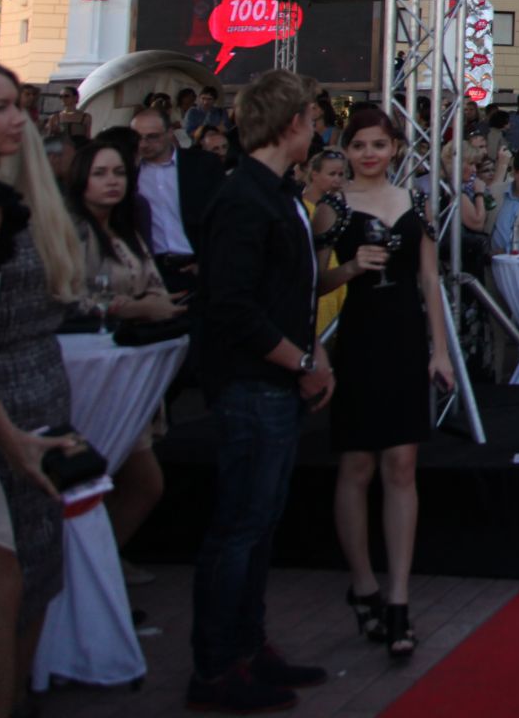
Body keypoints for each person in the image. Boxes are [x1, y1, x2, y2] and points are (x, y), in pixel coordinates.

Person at [188, 68, 333, 712]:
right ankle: (217, 666)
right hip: (252, 384)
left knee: (260, 522)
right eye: (311, 115)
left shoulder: (275, 193)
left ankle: (248, 644)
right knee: (239, 528)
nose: (318, 125)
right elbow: (233, 307)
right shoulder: (243, 198)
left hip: (275, 380)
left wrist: (311, 349)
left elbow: (288, 290)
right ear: (291, 123)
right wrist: (302, 360)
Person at [314, 109, 455, 661]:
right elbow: (313, 279)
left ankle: (398, 598)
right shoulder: (333, 208)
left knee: (401, 464)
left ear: (394, 148)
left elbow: (429, 278)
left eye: (378, 144)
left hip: (403, 339)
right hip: (357, 340)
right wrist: (349, 270)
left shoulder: (413, 203)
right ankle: (363, 584)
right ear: (345, 150)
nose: (368, 153)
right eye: (358, 146)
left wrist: (439, 350)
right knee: (356, 465)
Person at [0, 61, 85, 717]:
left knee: (31, 573)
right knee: (6, 584)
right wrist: (12, 440)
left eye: (18, 104)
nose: (17, 117)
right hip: (1, 410)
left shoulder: (16, 196)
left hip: (36, 392)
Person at [66, 136, 189, 581]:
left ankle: (98, 568)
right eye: (100, 174)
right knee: (110, 480)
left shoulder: (128, 230)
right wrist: (134, 306)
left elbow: (154, 284)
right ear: (81, 179)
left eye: (118, 172)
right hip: (88, 373)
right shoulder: (73, 233)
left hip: (128, 367)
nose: (111, 182)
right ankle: (91, 574)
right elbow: (70, 299)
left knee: (141, 482)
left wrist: (152, 303)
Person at [131, 104, 225, 297]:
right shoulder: (130, 174)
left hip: (197, 266)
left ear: (169, 133)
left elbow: (224, 216)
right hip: (152, 272)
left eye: (152, 136)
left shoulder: (202, 164)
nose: (144, 143)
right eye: (138, 138)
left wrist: (208, 263)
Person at [301, 149, 351, 337]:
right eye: (332, 174)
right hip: (316, 290)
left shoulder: (343, 207)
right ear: (314, 175)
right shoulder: (301, 206)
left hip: (340, 286)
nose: (337, 179)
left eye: (341, 174)